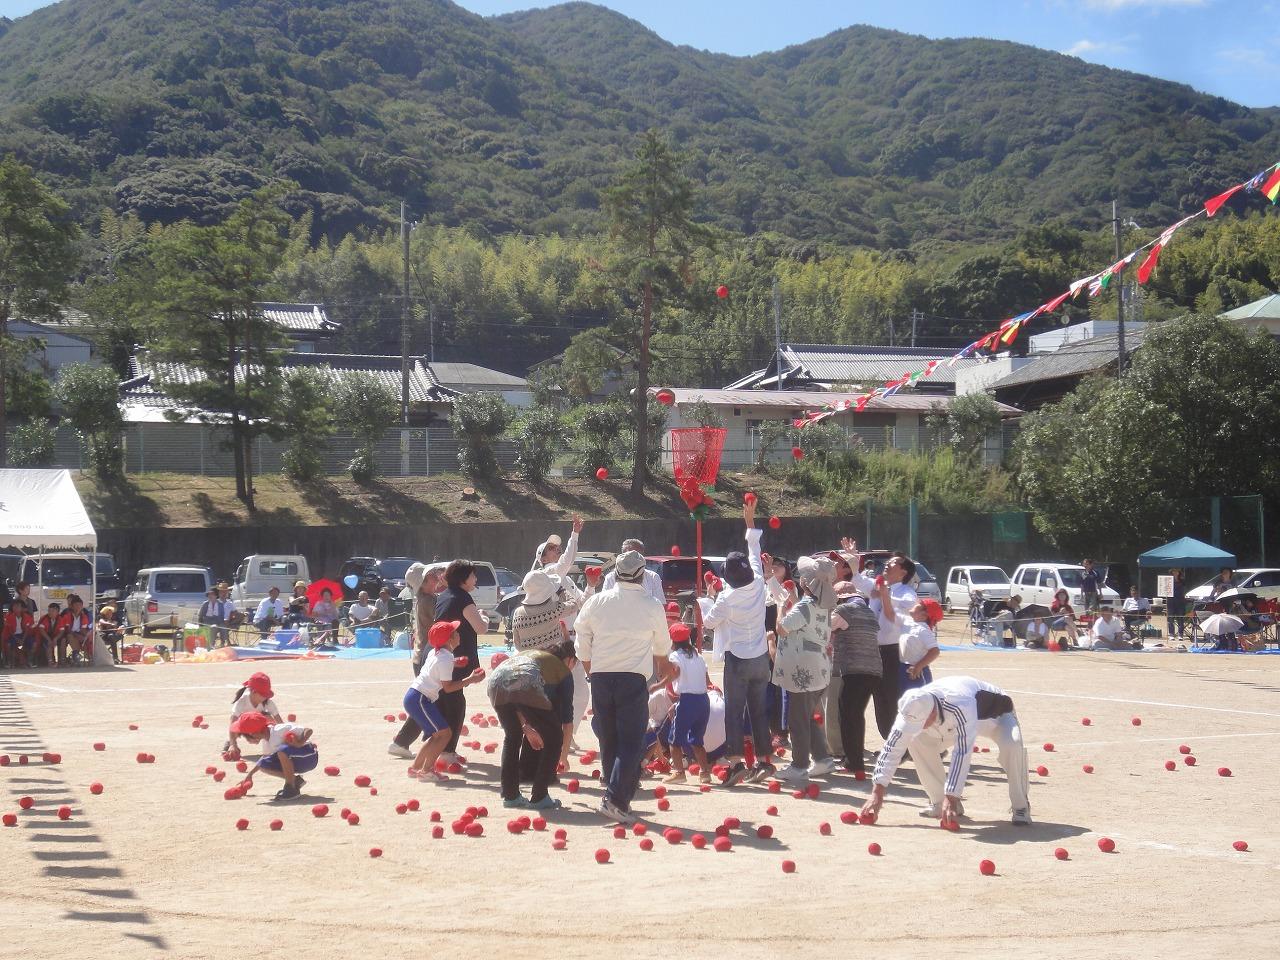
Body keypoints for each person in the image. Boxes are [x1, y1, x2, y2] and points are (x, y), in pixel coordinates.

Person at [576, 549, 673, 823]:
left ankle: (615, 793)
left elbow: (582, 638)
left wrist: (589, 671)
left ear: (615, 573)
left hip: (601, 676)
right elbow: (662, 646)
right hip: (633, 678)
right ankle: (616, 799)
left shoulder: (597, 602)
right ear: (642, 576)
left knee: (609, 738)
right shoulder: (652, 605)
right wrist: (666, 669)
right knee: (631, 741)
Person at [861, 676, 1031, 827]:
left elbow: (962, 751)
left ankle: (1020, 805)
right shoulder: (910, 707)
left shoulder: (960, 703)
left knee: (1013, 745)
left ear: (933, 711)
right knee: (916, 740)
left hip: (995, 716)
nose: (918, 727)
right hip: (948, 726)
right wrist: (877, 792)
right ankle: (938, 801)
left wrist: (952, 795)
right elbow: (892, 747)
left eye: (922, 723)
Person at [702, 501, 774, 786]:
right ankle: (765, 761)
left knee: (734, 710)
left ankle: (735, 764)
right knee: (758, 710)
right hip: (760, 658)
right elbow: (754, 551)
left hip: (738, 660)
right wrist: (749, 519)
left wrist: (709, 596)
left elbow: (708, 623)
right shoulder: (758, 581)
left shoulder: (727, 597)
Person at [488, 641, 577, 810]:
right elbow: (567, 721)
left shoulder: (532, 656)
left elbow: (516, 697)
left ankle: (510, 795)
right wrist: (563, 756)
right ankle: (539, 796)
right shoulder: (562, 671)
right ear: (570, 660)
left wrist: (527, 729)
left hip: (496, 682)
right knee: (554, 737)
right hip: (526, 683)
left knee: (512, 737)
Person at [845, 539, 918, 738]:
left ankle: (900, 744)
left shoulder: (907, 592)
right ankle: (889, 741)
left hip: (892, 651)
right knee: (879, 698)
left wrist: (883, 593)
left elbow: (904, 606)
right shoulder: (880, 587)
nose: (887, 564)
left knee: (891, 698)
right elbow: (858, 580)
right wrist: (853, 559)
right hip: (873, 651)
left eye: (893, 563)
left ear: (903, 572)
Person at [773, 556, 837, 782]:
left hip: (802, 669)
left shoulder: (805, 605)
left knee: (797, 719)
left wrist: (780, 607)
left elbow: (782, 629)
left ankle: (799, 765)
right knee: (807, 716)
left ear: (807, 583)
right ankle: (822, 759)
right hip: (819, 667)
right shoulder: (823, 604)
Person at [405, 620, 485, 782]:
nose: (459, 634)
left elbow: (437, 665)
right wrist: (470, 679)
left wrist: (455, 662)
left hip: (414, 696)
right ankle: (426, 771)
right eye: (455, 633)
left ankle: (416, 768)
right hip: (421, 699)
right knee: (445, 734)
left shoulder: (436, 652)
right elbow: (448, 688)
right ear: (450, 640)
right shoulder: (446, 659)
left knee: (437, 735)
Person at [389, 562, 448, 758]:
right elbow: (442, 623)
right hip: (426, 654)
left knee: (427, 701)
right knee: (427, 702)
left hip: (421, 654)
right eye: (429, 575)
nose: (434, 576)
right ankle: (407, 742)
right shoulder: (428, 601)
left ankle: (403, 742)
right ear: (422, 583)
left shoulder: (428, 597)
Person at [434, 560, 491, 762]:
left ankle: (440, 748)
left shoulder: (444, 596)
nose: (475, 579)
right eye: (473, 575)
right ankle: (446, 751)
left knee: (442, 701)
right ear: (463, 579)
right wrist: (484, 617)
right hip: (454, 657)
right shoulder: (463, 598)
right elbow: (481, 628)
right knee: (455, 704)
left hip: (439, 653)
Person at [830, 595, 881, 775]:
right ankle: (855, 760)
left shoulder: (845, 610)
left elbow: (824, 627)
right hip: (873, 669)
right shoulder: (868, 612)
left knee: (847, 716)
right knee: (856, 716)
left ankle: (853, 762)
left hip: (854, 669)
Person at [661, 623, 712, 785]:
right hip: (703, 700)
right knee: (697, 740)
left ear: (673, 641)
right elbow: (707, 680)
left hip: (687, 701)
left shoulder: (675, 656)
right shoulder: (699, 656)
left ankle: (679, 773)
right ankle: (705, 772)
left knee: (674, 741)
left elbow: (675, 673)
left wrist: (659, 684)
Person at [230, 711, 318, 801]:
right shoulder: (266, 742)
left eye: (246, 737)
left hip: (309, 756)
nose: (247, 741)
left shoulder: (279, 730)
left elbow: (308, 730)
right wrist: (249, 775)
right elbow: (263, 759)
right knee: (263, 764)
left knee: (282, 751)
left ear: (254, 733)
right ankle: (295, 781)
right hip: (297, 759)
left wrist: (300, 743)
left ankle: (290, 788)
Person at [889, 593, 942, 691]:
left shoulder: (923, 629)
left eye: (919, 605)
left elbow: (935, 651)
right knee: (905, 701)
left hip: (917, 672)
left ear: (924, 615)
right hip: (903, 668)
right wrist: (884, 595)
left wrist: (919, 666)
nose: (915, 604)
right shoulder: (908, 622)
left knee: (919, 702)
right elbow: (890, 614)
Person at [227, 671, 284, 758]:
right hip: (244, 729)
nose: (265, 697)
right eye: (263, 695)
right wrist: (233, 744)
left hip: (258, 728)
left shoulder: (267, 702)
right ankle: (230, 743)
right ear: (253, 692)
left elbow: (280, 723)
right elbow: (233, 722)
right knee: (235, 724)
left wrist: (285, 739)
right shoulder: (242, 701)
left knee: (268, 717)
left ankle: (272, 744)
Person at [601, 537, 665, 604]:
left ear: (642, 556)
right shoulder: (610, 577)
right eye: (628, 554)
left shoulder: (653, 577)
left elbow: (660, 605)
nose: (631, 558)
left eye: (635, 555)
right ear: (622, 556)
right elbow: (605, 603)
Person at [53, 594, 92, 667]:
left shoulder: (84, 616)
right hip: (66, 634)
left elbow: (83, 629)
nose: (78, 607)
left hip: (78, 633)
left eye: (80, 605)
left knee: (89, 638)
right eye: (76, 605)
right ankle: (75, 656)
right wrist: (77, 635)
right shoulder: (67, 616)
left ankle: (85, 656)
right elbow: (66, 630)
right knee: (70, 636)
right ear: (72, 606)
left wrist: (86, 636)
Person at [2, 598, 34, 668]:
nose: (16, 608)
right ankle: (11, 662)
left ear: (22, 608)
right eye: (14, 606)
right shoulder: (8, 617)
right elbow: (10, 631)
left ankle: (29, 661)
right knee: (10, 645)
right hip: (13, 636)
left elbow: (27, 630)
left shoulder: (27, 617)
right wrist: (17, 639)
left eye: (18, 606)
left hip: (24, 636)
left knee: (31, 644)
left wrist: (22, 639)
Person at [31, 602, 59, 668]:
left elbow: (62, 630)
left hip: (52, 636)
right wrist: (49, 639)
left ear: (57, 611)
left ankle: (61, 660)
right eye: (49, 610)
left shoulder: (60, 618)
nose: (50, 613)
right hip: (40, 636)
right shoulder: (44, 618)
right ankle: (50, 662)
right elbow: (41, 630)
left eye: (52, 611)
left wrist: (56, 638)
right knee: (48, 643)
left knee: (60, 641)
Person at [1167, 569, 1187, 639]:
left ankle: (1180, 634)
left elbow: (1184, 591)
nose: (1175, 573)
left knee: (1180, 619)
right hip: (1170, 602)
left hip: (1180, 602)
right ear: (1171, 572)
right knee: (1170, 619)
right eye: (1174, 571)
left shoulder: (1182, 581)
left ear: (1179, 572)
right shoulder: (1168, 580)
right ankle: (1171, 634)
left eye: (1177, 571)